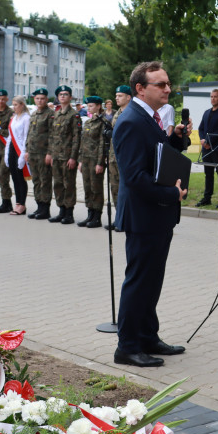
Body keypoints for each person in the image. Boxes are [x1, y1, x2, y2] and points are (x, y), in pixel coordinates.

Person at [111, 61, 191, 367]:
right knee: (139, 280)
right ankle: (128, 346)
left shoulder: (149, 118)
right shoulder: (131, 121)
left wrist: (175, 140)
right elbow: (134, 176)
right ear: (140, 89)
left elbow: (155, 157)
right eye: (161, 84)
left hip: (157, 216)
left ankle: (147, 337)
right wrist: (172, 193)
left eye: (168, 84)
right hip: (144, 216)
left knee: (152, 280)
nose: (167, 89)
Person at [46, 85, 81, 225]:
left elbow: (76, 138)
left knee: (69, 184)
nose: (62, 96)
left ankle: (69, 213)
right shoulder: (57, 114)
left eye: (66, 94)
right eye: (60, 94)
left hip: (67, 157)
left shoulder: (74, 115)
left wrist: (73, 157)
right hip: (56, 156)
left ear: (70, 97)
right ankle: (61, 211)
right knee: (58, 184)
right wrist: (50, 153)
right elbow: (52, 136)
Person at [197, 89, 218, 208]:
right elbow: (201, 128)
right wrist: (202, 140)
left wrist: (209, 142)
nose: (213, 99)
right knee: (208, 174)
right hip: (206, 148)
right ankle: (207, 198)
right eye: (211, 96)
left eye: (215, 97)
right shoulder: (206, 112)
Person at [105, 85, 133, 231]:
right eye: (116, 95)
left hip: (125, 158)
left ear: (129, 97)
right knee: (115, 189)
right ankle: (118, 219)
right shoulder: (117, 114)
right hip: (113, 157)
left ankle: (126, 219)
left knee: (125, 190)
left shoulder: (131, 113)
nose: (117, 98)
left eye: (120, 95)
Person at [76, 96, 106, 228]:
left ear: (99, 106)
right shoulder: (88, 122)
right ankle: (90, 214)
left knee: (96, 188)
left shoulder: (103, 122)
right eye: (88, 106)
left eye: (92, 106)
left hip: (95, 160)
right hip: (86, 159)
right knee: (87, 187)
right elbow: (83, 143)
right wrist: (81, 160)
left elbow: (102, 144)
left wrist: (100, 162)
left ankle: (97, 216)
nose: (89, 108)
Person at [27, 88, 54, 220]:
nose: (40, 100)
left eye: (42, 98)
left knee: (45, 181)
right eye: (37, 98)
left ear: (46, 100)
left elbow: (53, 135)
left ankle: (45, 208)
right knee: (36, 181)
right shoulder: (33, 114)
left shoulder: (50, 114)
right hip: (32, 153)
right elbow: (30, 134)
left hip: (43, 154)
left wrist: (50, 153)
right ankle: (39, 206)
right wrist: (27, 150)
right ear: (34, 99)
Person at [5, 96, 31, 216]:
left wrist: (22, 154)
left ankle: (22, 204)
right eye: (13, 104)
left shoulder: (26, 118)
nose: (13, 107)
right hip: (12, 148)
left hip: (20, 149)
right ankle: (17, 202)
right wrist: (6, 153)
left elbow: (26, 136)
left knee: (20, 177)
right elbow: (10, 136)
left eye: (16, 105)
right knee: (14, 177)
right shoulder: (14, 118)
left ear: (22, 105)